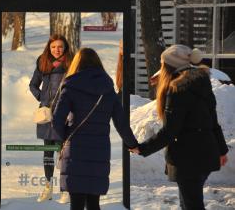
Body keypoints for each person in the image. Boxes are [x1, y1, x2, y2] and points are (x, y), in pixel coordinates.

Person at [130, 45, 229, 210]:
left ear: (169, 66)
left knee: (191, 205)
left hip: (188, 158)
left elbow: (170, 132)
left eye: (163, 65)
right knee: (190, 204)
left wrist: (142, 148)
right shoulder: (201, 83)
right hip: (205, 154)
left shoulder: (177, 89)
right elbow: (212, 121)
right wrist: (221, 150)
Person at [52, 48, 138, 210]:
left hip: (75, 150)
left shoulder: (70, 86)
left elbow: (56, 120)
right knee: (93, 203)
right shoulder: (107, 89)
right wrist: (132, 144)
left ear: (77, 64)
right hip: (99, 151)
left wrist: (65, 137)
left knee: (76, 203)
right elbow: (121, 122)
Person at [29, 34, 73, 203]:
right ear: (49, 47)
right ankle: (48, 187)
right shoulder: (43, 62)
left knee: (63, 152)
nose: (57, 50)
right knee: (48, 152)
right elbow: (33, 85)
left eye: (60, 47)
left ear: (65, 48)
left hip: (64, 112)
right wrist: (43, 98)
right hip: (47, 113)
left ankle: (65, 189)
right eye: (53, 47)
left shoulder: (71, 63)